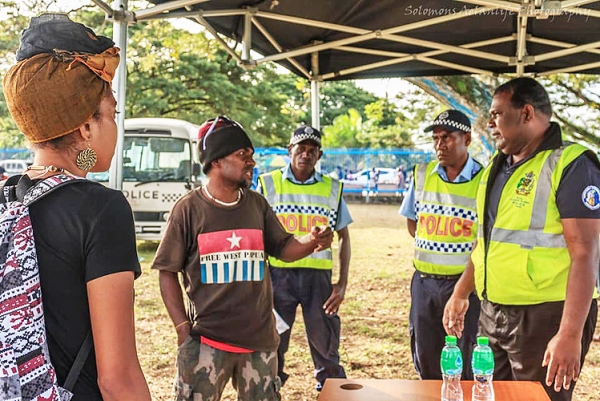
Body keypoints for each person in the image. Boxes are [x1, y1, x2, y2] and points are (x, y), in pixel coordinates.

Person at [2, 13, 151, 401]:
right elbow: (116, 379)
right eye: (113, 113)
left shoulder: (6, 197)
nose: (115, 127)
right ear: (87, 126)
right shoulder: (101, 210)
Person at [152, 117, 334, 401]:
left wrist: (312, 241)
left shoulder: (257, 205)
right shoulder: (188, 210)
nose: (251, 162)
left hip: (259, 343)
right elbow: (166, 271)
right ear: (216, 161)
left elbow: (284, 247)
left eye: (251, 156)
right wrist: (182, 330)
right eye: (243, 155)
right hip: (205, 343)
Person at [443, 77, 599, 401]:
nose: (490, 123)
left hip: (545, 318)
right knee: (488, 396)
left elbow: (586, 253)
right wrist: (461, 293)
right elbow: (484, 244)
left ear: (527, 113)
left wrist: (569, 334)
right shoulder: (494, 169)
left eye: (498, 114)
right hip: (492, 314)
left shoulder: (570, 164)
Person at [257, 125, 352, 391]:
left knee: (326, 346)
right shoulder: (267, 184)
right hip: (277, 277)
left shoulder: (332, 189)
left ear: (319, 155)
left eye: (312, 151)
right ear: (290, 151)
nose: (306, 155)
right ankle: (268, 392)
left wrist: (341, 284)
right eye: (300, 149)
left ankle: (331, 392)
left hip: (318, 281)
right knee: (272, 342)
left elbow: (345, 238)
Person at [398, 110, 483, 380]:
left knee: (465, 356)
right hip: (424, 284)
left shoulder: (485, 179)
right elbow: (413, 222)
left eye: (446, 137)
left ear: (466, 138)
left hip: (466, 285)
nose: (439, 145)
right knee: (426, 355)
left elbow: (484, 240)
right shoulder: (422, 174)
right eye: (435, 138)